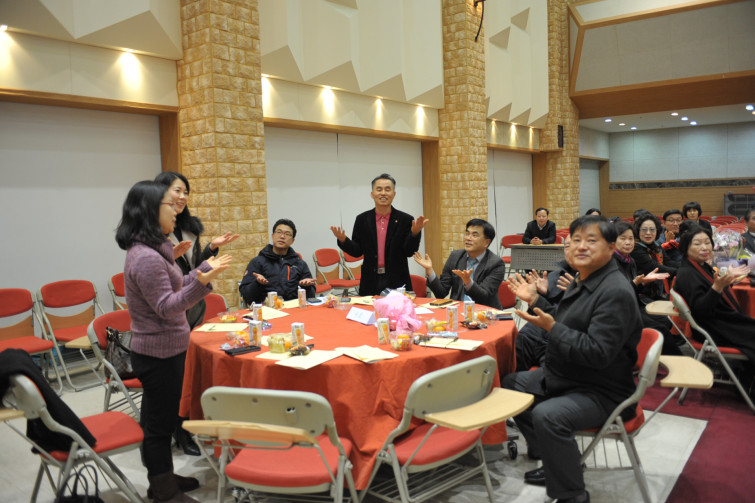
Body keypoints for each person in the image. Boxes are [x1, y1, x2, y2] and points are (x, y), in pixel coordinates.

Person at [504, 215, 642, 503]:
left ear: (611, 247)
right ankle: (556, 458)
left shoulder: (614, 291)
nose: (580, 246)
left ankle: (573, 495)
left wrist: (552, 329)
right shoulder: (587, 278)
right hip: (571, 376)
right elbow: (566, 320)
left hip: (601, 388)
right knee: (510, 386)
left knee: (548, 415)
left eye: (591, 240)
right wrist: (536, 301)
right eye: (575, 240)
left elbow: (598, 353)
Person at [116, 181, 232, 503]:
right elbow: (167, 306)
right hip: (158, 355)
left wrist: (204, 269)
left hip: (167, 349)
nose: (177, 211)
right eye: (170, 205)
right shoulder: (146, 257)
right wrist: (203, 282)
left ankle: (163, 479)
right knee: (159, 426)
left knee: (165, 420)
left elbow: (178, 282)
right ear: (150, 211)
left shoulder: (155, 249)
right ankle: (163, 492)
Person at [155, 172, 239, 457]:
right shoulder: (155, 234)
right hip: (174, 307)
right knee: (178, 375)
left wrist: (212, 247)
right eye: (176, 191)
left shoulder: (188, 227)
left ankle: (190, 426)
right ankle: (179, 431)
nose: (181, 197)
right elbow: (172, 277)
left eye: (185, 192)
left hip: (194, 303)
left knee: (190, 371)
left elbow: (196, 266)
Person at [330, 174, 427, 295]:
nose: (383, 193)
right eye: (379, 189)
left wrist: (414, 234)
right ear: (372, 194)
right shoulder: (362, 219)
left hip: (397, 279)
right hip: (370, 280)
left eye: (387, 189)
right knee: (368, 307)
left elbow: (408, 252)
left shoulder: (406, 219)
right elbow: (357, 251)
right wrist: (344, 240)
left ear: (394, 194)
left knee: (396, 308)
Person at [673, 224, 755, 367]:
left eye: (707, 242)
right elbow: (701, 310)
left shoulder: (700, 266)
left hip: (720, 321)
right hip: (713, 328)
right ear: (686, 248)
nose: (704, 247)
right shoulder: (686, 274)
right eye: (697, 244)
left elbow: (712, 290)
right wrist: (718, 287)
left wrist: (727, 278)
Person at [613, 221, 681, 355]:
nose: (628, 242)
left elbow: (632, 290)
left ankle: (652, 355)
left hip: (633, 305)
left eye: (630, 239)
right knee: (661, 329)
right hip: (619, 311)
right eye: (623, 238)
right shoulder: (611, 262)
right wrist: (635, 283)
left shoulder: (629, 260)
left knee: (667, 321)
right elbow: (617, 296)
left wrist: (642, 283)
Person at [514, 234, 576, 371]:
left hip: (562, 341)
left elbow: (567, 321)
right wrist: (541, 295)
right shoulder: (555, 274)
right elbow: (537, 314)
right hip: (534, 335)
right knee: (508, 372)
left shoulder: (599, 281)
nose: (572, 250)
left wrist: (578, 294)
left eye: (577, 243)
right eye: (567, 246)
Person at [412, 219, 505, 309]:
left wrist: (468, 282)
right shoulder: (455, 256)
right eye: (467, 233)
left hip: (485, 313)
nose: (468, 238)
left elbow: (484, 296)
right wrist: (430, 270)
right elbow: (441, 293)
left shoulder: (496, 263)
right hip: (457, 310)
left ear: (486, 242)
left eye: (474, 235)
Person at [239, 219, 316, 305]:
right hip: (267, 308)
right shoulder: (257, 262)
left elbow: (311, 297)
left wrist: (307, 287)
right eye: (279, 232)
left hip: (294, 308)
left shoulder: (300, 263)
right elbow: (247, 296)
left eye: (287, 234)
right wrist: (258, 283)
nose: (282, 236)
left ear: (292, 241)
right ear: (272, 236)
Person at [631, 214, 676, 300]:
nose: (648, 233)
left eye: (652, 229)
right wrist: (680, 272)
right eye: (644, 230)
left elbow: (669, 262)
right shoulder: (635, 248)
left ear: (657, 231)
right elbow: (654, 267)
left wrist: (686, 265)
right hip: (641, 294)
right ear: (638, 231)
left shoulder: (657, 245)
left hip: (657, 292)